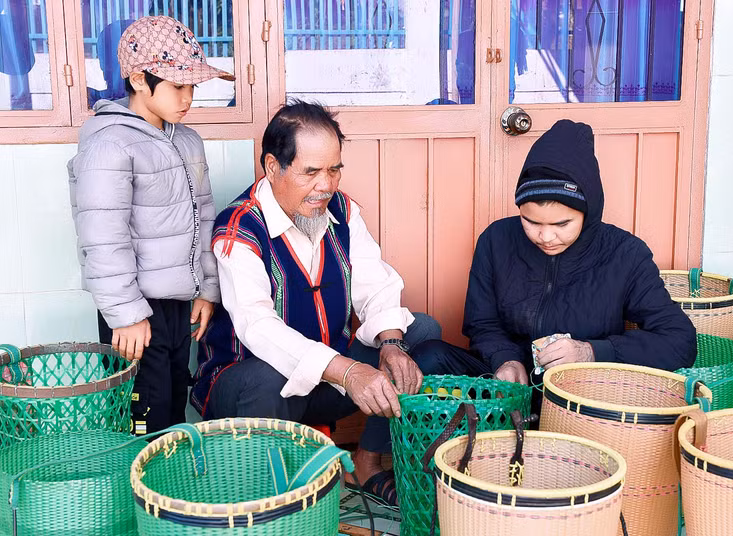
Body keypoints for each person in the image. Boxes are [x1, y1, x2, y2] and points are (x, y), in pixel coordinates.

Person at [192, 101, 442, 506]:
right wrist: (349, 372)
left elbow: (374, 283)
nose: (326, 185)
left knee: (421, 333)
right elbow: (258, 327)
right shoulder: (240, 229)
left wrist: (392, 344)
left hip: (324, 381)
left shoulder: (342, 210)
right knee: (267, 376)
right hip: (250, 392)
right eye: (311, 172)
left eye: (334, 169)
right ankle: (269, 500)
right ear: (273, 167)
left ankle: (367, 462)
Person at [413, 119, 697, 390]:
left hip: (580, 392)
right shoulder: (496, 240)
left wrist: (591, 352)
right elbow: (482, 323)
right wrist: (505, 359)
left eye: (562, 224)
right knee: (428, 356)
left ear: (588, 212)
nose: (546, 237)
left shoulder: (626, 254)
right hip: (509, 384)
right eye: (531, 222)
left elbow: (679, 341)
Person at [69, 16, 235, 434]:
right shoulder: (109, 143)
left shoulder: (187, 140)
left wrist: (206, 290)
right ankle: (140, 498)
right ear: (140, 80)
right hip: (134, 310)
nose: (188, 97)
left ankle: (170, 492)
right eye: (178, 85)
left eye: (192, 86)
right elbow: (103, 237)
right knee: (146, 413)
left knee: (175, 401)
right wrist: (125, 315)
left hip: (180, 304)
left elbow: (205, 217)